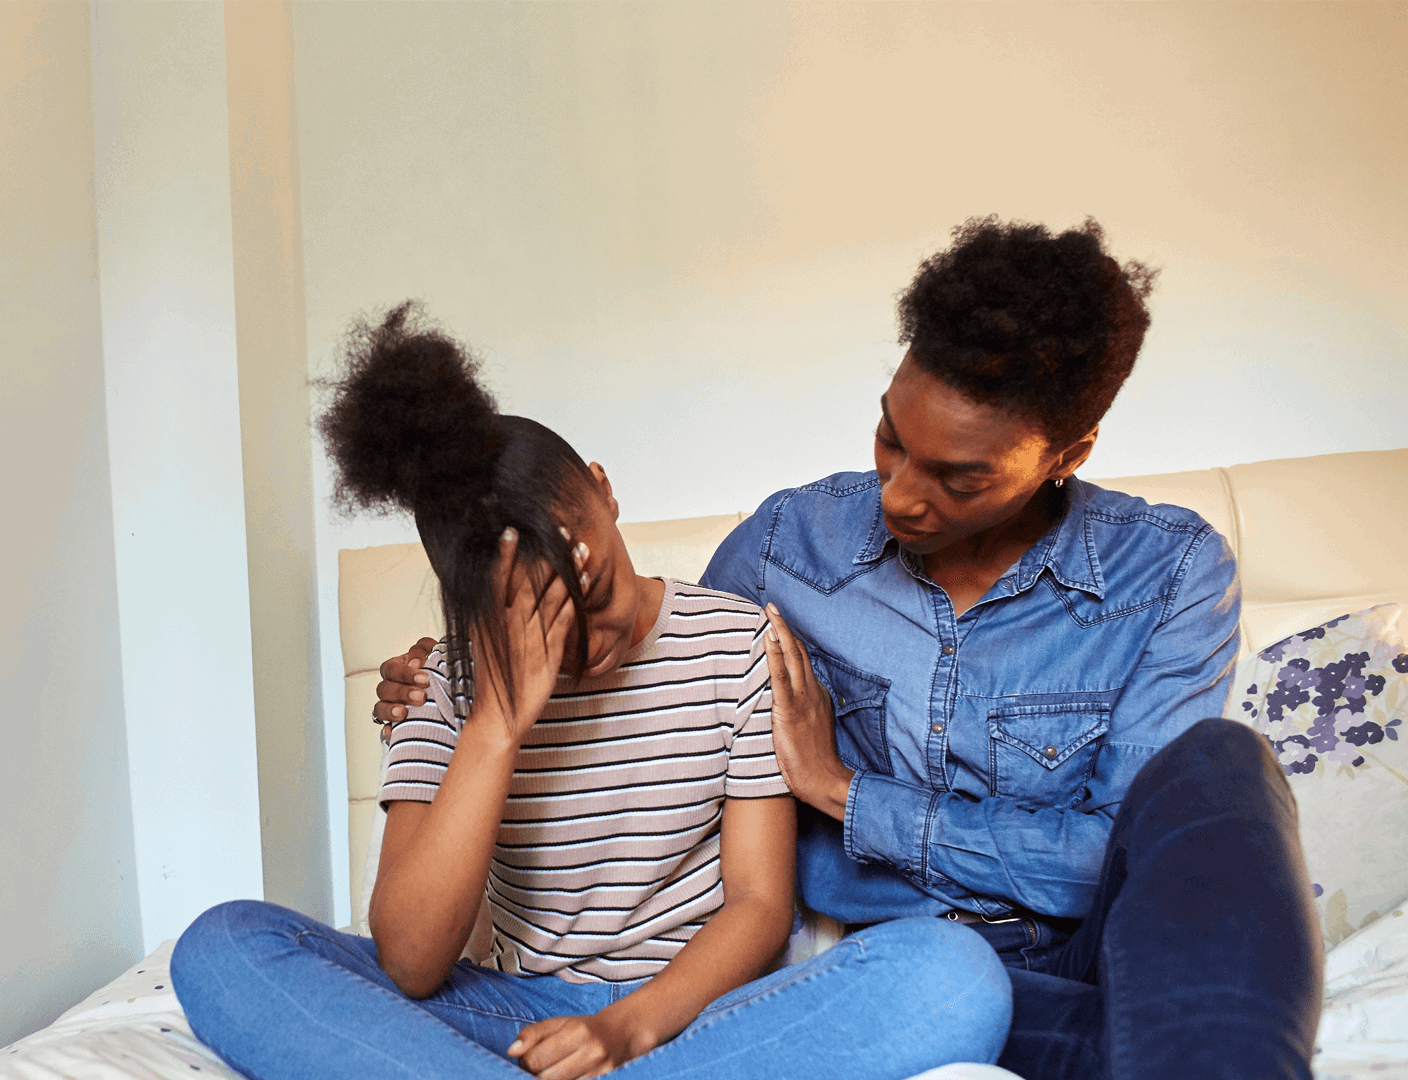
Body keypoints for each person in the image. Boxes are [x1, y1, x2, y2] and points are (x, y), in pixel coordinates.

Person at [371, 219, 1323, 1079]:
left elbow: (1115, 858)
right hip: (882, 965)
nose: (904, 495)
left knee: (1224, 764)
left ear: (1068, 453)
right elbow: (652, 652)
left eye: (959, 477)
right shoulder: (789, 547)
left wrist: (847, 795)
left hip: (1101, 944)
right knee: (974, 994)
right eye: (889, 439)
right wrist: (470, 646)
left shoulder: (1169, 571)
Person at [173, 304, 1012, 1080]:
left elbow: (758, 908)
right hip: (512, 1015)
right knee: (222, 947)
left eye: (596, 597)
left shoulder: (737, 642)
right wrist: (499, 718)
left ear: (606, 493)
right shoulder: (451, 682)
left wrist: (623, 1031)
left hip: (693, 1017)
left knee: (954, 976)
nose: (589, 649)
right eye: (545, 636)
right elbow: (412, 961)